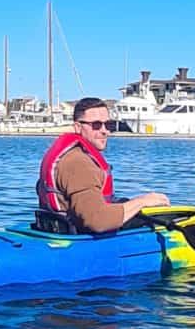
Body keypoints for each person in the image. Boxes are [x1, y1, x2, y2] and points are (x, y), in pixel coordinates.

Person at [34, 97, 170, 235]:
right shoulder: (78, 163)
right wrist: (142, 202)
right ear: (78, 127)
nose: (105, 131)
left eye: (108, 125)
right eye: (96, 125)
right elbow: (97, 220)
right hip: (78, 241)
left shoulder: (72, 156)